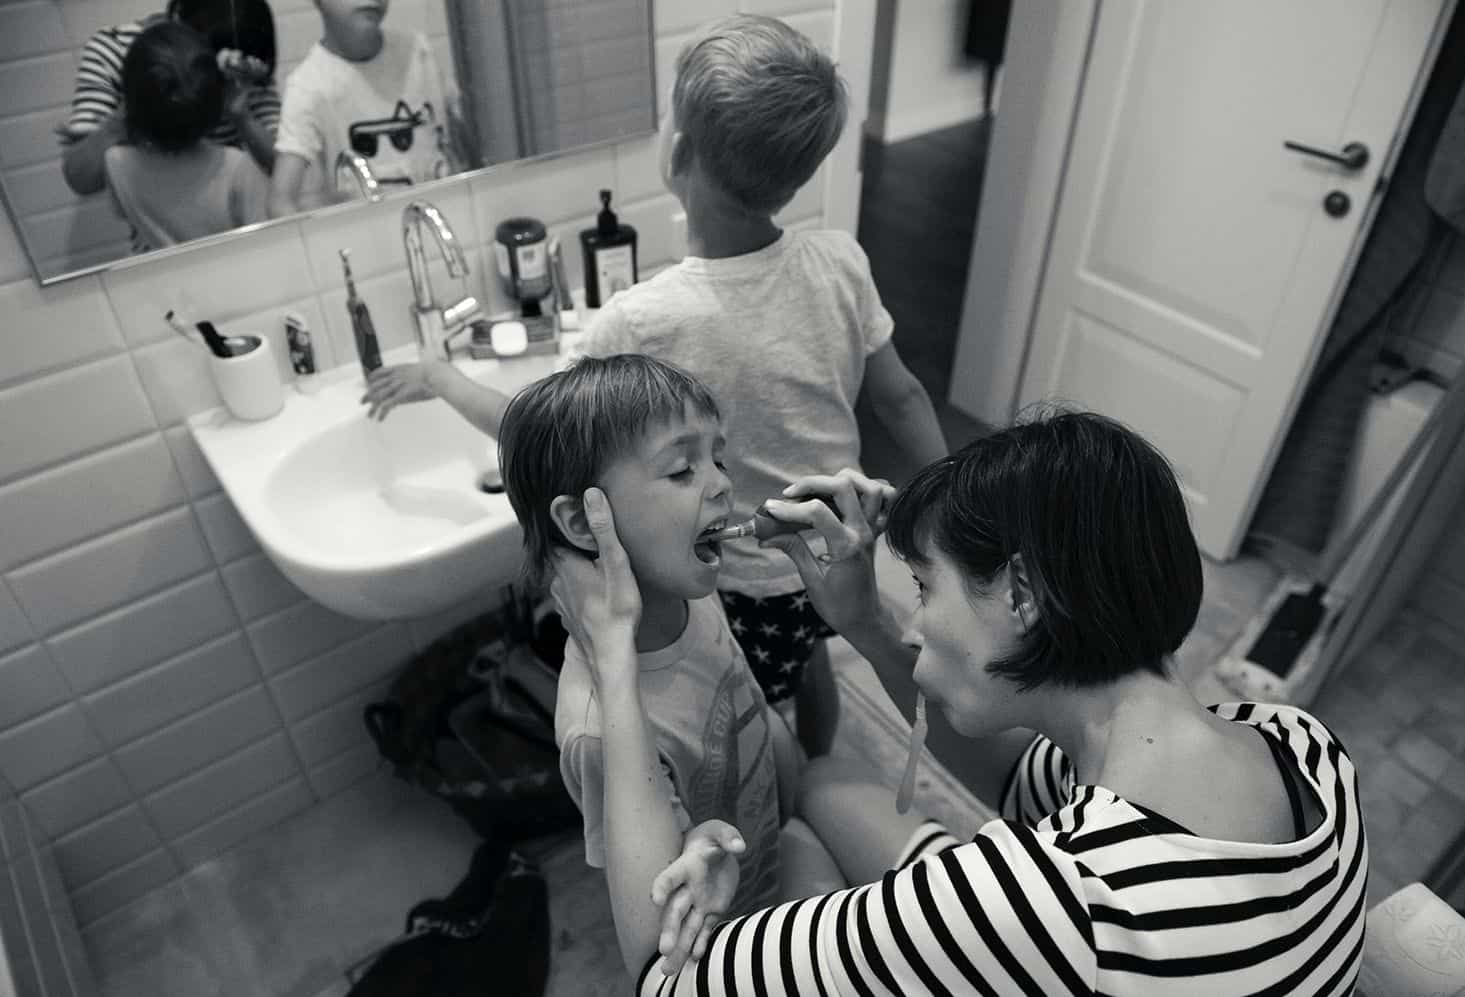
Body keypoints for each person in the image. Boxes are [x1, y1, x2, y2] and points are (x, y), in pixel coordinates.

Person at [552, 408, 1370, 994]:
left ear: (1022, 591)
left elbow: (660, 976)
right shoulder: (1301, 746)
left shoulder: (1039, 905)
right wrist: (864, 620)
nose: (913, 623)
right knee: (829, 787)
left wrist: (614, 649)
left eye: (920, 586)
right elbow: (1022, 781)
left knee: (802, 846)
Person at [361, 14, 949, 757]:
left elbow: (528, 422)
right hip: (834, 552)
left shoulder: (641, 321)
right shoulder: (840, 260)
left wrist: (440, 376)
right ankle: (825, 764)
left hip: (733, 573)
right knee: (809, 662)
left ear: (675, 152)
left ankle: (787, 800)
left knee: (743, 713)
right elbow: (901, 397)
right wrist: (946, 497)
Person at [499, 354, 844, 967]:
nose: (720, 484)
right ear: (583, 521)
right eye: (682, 469)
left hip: (771, 857)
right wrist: (694, 848)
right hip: (722, 944)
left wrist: (792, 791)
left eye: (719, 458)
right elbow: (656, 913)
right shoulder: (595, 731)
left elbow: (749, 711)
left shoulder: (693, 599)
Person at [59, 0, 279, 199]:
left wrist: (242, 116)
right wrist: (134, 111)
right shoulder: (114, 49)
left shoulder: (242, 43)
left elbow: (283, 165)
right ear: (177, 17)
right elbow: (79, 178)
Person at [268, 0, 465, 216]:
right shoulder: (309, 85)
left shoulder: (417, 51)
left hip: (442, 221)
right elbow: (280, 202)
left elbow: (464, 148)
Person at [103, 22, 270, 252]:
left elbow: (121, 212)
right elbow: (267, 242)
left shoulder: (116, 163)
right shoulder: (235, 168)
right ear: (213, 101)